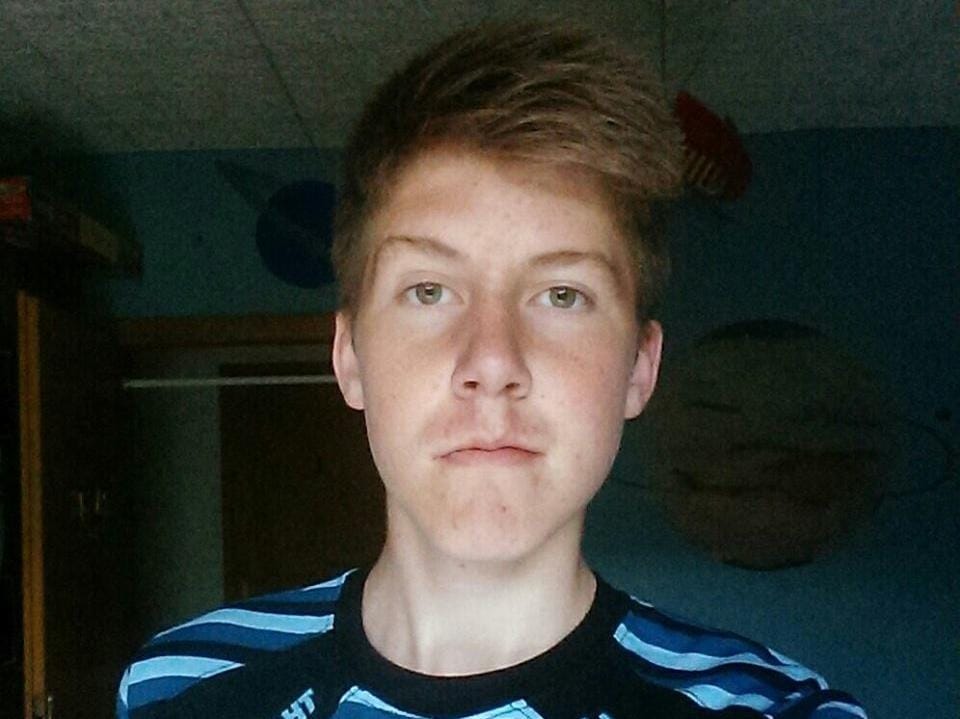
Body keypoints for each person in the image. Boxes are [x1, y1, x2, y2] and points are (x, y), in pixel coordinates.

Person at [117, 21, 868, 719]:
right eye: (429, 290)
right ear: (349, 357)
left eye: (562, 295)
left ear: (641, 367)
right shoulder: (178, 689)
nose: (492, 362)